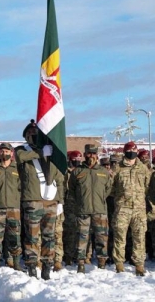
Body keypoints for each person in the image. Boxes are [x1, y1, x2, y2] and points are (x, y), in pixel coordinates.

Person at [15, 119, 64, 280]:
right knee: (31, 236)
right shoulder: (22, 150)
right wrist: (41, 152)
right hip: (32, 200)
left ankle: (47, 266)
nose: (33, 135)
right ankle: (31, 266)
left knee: (49, 236)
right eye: (30, 134)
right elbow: (21, 157)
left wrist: (61, 201)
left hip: (51, 200)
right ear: (25, 136)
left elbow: (59, 179)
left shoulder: (51, 152)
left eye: (36, 133)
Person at [68, 144, 112, 273]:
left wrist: (100, 199)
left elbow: (108, 189)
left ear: (96, 155)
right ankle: (81, 262)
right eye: (88, 153)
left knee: (101, 237)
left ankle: (102, 262)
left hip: (100, 210)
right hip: (83, 211)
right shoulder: (78, 171)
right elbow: (72, 190)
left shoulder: (103, 172)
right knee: (82, 238)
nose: (91, 156)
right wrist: (81, 202)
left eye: (93, 153)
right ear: (85, 154)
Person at [112, 141, 150, 276]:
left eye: (134, 150)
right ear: (124, 152)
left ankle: (139, 265)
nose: (131, 153)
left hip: (139, 209)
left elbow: (147, 187)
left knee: (139, 237)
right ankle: (119, 264)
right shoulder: (118, 168)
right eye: (129, 151)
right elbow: (111, 188)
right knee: (119, 237)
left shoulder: (143, 169)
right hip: (122, 209)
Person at [0, 143, 22, 270]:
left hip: (14, 208)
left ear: (11, 153)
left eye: (7, 151)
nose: (4, 154)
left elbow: (21, 187)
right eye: (2, 151)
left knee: (15, 237)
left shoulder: (17, 168)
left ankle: (16, 263)